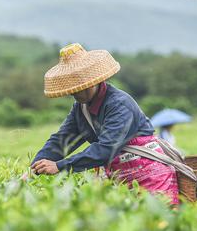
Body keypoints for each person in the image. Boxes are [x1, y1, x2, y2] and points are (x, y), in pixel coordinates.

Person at [30, 43, 179, 204]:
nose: (76, 92)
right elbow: (62, 140)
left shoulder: (120, 104)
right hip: (119, 179)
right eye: (72, 87)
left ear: (95, 80)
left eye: (82, 85)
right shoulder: (80, 109)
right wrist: (34, 168)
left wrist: (60, 166)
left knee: (159, 218)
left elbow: (106, 148)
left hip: (150, 176)